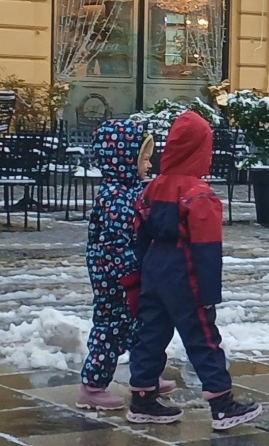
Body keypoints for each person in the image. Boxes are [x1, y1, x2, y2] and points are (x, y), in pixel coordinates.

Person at [126, 111, 261, 430]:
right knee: (202, 337)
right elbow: (207, 249)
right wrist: (208, 294)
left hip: (154, 269)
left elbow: (139, 233)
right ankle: (222, 404)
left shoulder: (152, 187)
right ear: (201, 151)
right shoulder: (199, 195)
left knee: (151, 334)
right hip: (185, 273)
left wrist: (142, 276)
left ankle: (143, 397)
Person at [75, 119, 177, 410]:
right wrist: (130, 278)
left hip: (131, 274)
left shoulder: (131, 190)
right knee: (111, 327)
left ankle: (146, 376)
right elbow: (119, 244)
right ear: (122, 160)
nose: (149, 165)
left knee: (141, 326)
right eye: (144, 159)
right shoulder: (115, 198)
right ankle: (92, 386)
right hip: (115, 279)